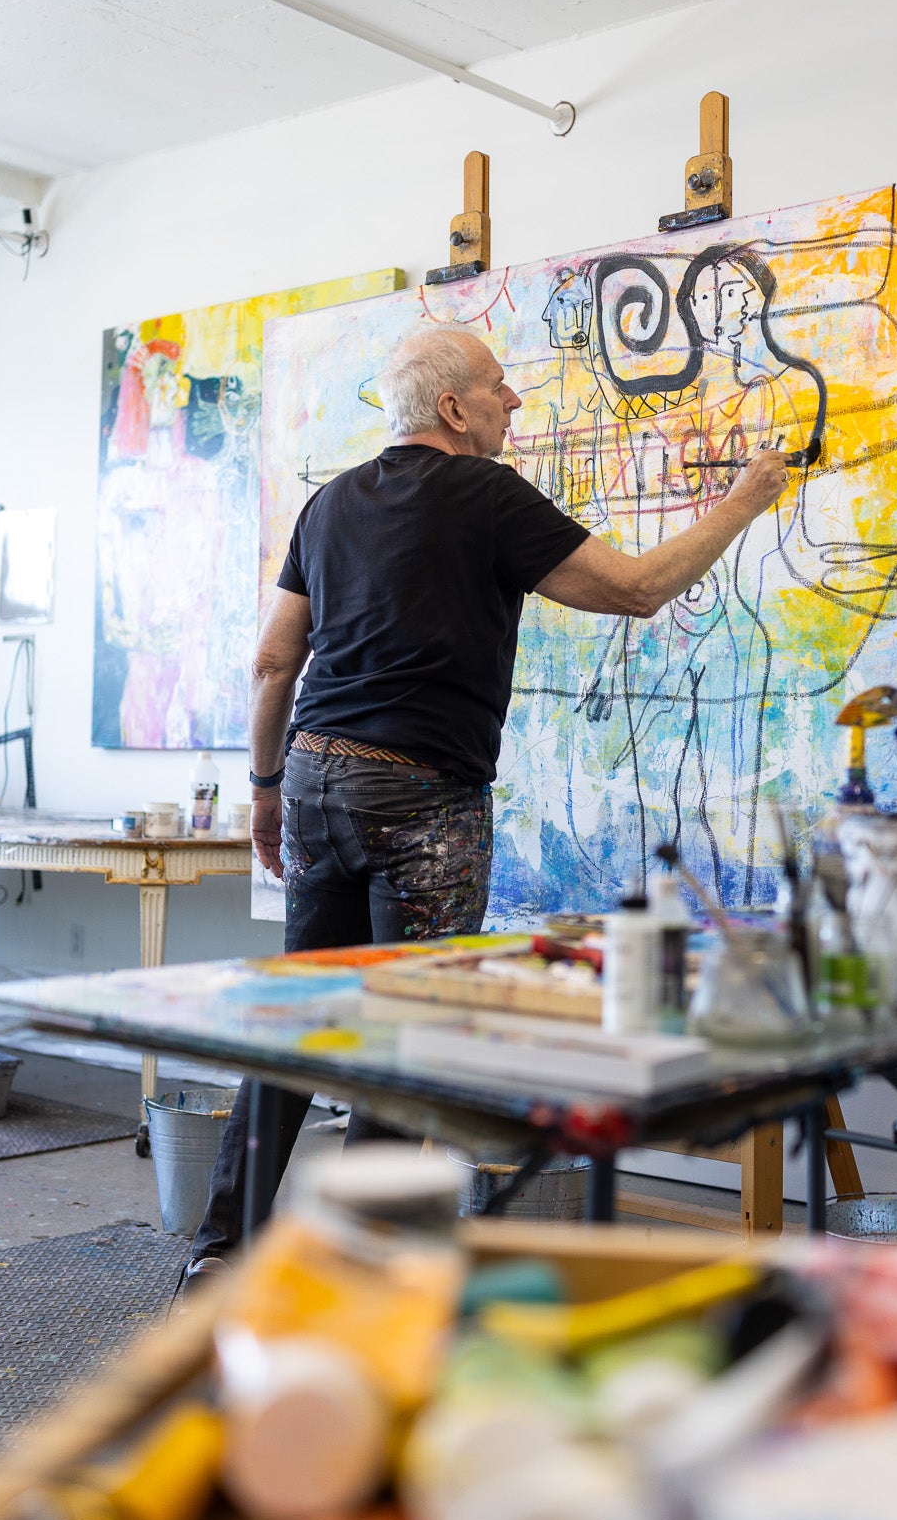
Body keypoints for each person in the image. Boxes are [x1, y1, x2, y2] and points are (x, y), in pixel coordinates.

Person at [184, 325, 787, 1279]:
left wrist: (264, 790)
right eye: (502, 389)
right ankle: (358, 1276)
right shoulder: (486, 493)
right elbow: (635, 590)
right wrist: (746, 502)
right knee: (398, 1037)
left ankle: (215, 1262)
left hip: (313, 777)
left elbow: (271, 662)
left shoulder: (328, 504)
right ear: (455, 408)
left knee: (302, 1018)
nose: (516, 403)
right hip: (420, 797)